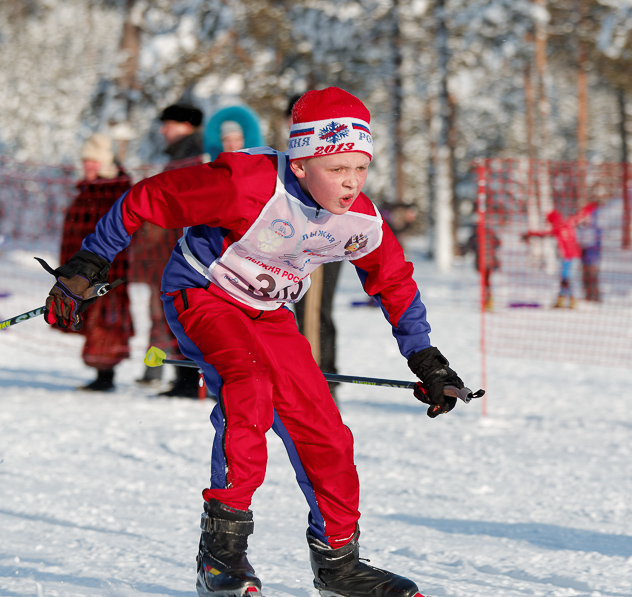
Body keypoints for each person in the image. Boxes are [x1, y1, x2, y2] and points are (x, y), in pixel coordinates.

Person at [43, 86, 477, 597]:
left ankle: (339, 564)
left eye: (360, 169)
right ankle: (220, 557)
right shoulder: (246, 184)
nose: (351, 183)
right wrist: (89, 264)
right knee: (246, 385)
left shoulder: (360, 219)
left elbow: (394, 282)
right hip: (203, 293)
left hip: (269, 315)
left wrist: (426, 358)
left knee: (325, 429)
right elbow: (147, 197)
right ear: (299, 164)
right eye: (337, 170)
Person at [132, 102, 205, 396]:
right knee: (173, 312)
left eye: (170, 124)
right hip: (171, 250)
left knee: (186, 312)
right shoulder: (179, 156)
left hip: (186, 251)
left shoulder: (194, 157)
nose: (164, 130)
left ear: (187, 126)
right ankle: (180, 377)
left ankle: (189, 380)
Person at [56, 134, 134, 391]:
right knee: (92, 318)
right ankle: (101, 371)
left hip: (107, 269)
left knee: (106, 319)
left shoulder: (110, 193)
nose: (88, 166)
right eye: (85, 161)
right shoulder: (87, 191)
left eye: (93, 161)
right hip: (83, 268)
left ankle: (105, 373)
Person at [284, 93, 344, 404]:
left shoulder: (322, 149)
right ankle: (315, 376)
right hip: (298, 241)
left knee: (313, 311)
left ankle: (318, 380)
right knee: (306, 310)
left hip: (319, 242)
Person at [523, 203, 597, 308]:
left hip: (569, 257)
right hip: (573, 256)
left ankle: (568, 300)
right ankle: (564, 300)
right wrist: (589, 208)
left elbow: (544, 234)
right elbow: (578, 216)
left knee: (566, 278)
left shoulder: (558, 226)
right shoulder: (567, 223)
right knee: (565, 278)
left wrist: (530, 234)